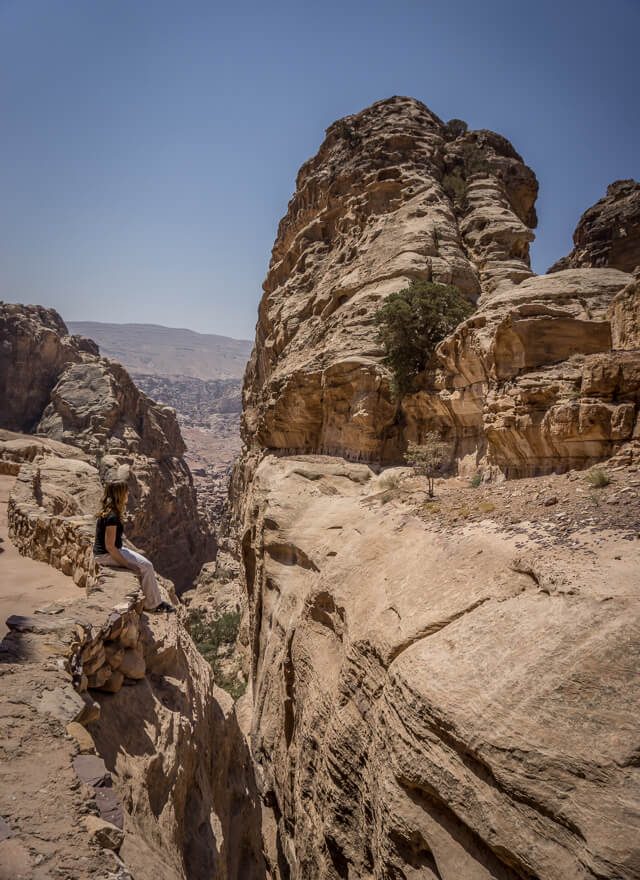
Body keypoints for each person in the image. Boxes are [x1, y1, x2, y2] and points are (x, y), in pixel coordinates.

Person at [93, 479, 174, 613]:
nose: (128, 494)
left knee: (145, 563)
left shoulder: (109, 512)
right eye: (126, 492)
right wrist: (127, 564)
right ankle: (152, 604)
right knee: (147, 567)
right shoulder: (112, 517)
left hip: (108, 552)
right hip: (105, 556)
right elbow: (110, 546)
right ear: (120, 494)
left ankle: (153, 601)